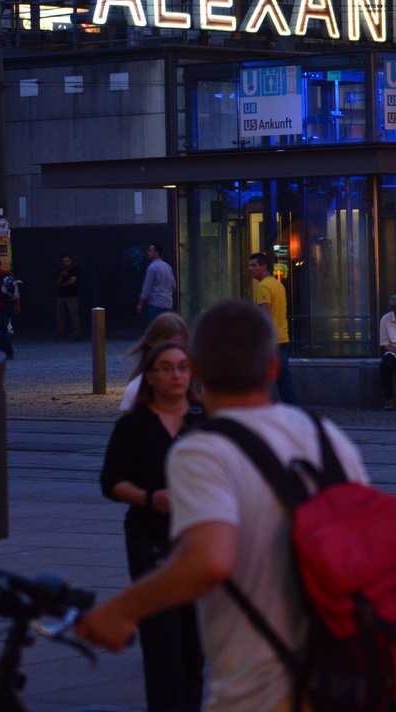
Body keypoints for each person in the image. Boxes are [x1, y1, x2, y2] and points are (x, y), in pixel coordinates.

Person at [77, 300, 371, 712]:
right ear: (272, 368)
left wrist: (121, 610)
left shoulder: (204, 450)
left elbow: (208, 560)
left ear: (197, 370)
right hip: (345, 674)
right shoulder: (328, 439)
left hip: (260, 688)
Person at [99, 337, 205, 712]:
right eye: (167, 368)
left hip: (197, 542)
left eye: (183, 367)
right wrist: (149, 498)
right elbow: (111, 481)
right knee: (162, 635)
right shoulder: (135, 426)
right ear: (150, 377)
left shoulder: (203, 421)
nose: (176, 375)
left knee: (193, 639)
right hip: (150, 539)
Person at [246, 253, 295, 405]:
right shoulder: (277, 284)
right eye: (249, 265)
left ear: (264, 266)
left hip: (270, 339)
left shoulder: (263, 286)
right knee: (282, 376)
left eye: (254, 265)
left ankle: (255, 404)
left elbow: (265, 312)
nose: (250, 269)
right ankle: (291, 406)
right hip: (282, 337)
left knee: (257, 374)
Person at [120, 312, 192, 413]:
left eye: (179, 348)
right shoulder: (135, 390)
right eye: (165, 347)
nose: (176, 375)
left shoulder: (196, 387)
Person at [138, 244, 176, 325]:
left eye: (150, 250)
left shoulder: (152, 267)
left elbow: (146, 287)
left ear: (156, 253)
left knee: (156, 329)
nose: (148, 252)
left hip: (156, 303)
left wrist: (140, 304)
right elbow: (173, 285)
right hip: (168, 303)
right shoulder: (168, 267)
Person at [56, 255, 82, 341]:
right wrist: (61, 276)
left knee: (73, 316)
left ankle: (76, 334)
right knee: (60, 317)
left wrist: (62, 284)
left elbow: (72, 281)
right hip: (61, 296)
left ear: (70, 261)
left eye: (67, 261)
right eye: (64, 261)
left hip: (71, 296)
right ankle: (60, 335)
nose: (65, 263)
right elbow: (56, 283)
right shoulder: (61, 271)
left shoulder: (74, 270)